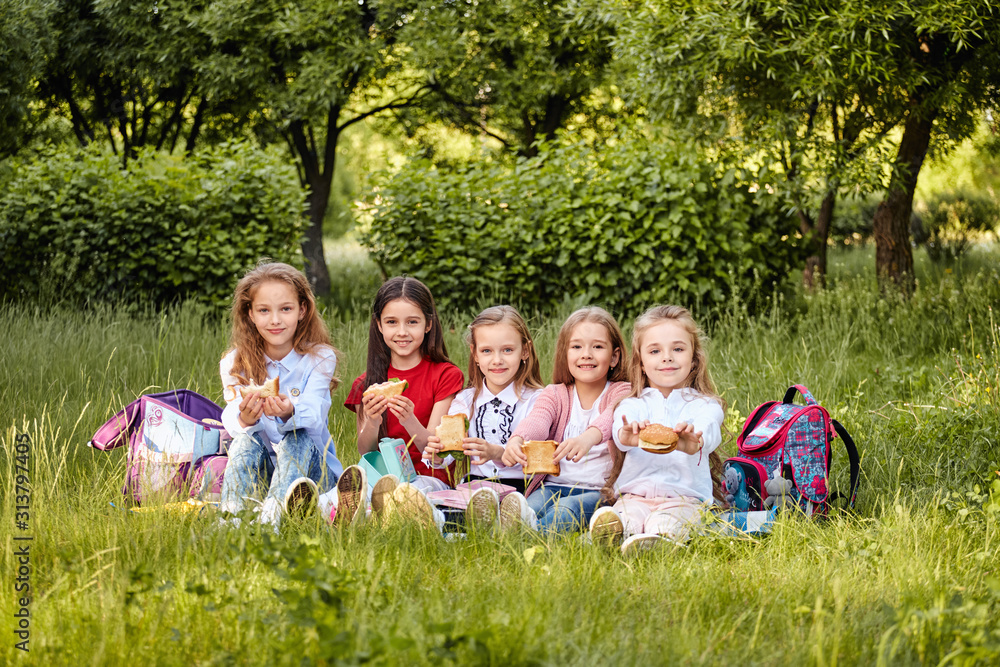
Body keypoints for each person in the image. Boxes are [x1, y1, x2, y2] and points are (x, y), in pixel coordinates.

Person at [588, 305, 726, 556]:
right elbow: (622, 427)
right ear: (641, 363)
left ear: (694, 360)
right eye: (655, 350)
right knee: (625, 518)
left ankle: (658, 541)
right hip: (634, 496)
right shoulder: (632, 404)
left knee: (667, 523)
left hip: (684, 500)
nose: (667, 357)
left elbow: (709, 430)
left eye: (678, 349)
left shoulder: (706, 405)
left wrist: (694, 441)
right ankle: (616, 535)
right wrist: (627, 436)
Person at [218, 261, 343, 528]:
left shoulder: (319, 358)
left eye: (285, 309)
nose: (275, 320)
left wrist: (290, 411)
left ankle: (271, 517)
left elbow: (314, 417)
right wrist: (245, 419)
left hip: (313, 478)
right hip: (263, 474)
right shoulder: (233, 363)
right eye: (264, 310)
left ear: (302, 310)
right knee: (242, 441)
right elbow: (231, 415)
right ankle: (231, 517)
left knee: (295, 436)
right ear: (250, 314)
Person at [337, 277, 464, 525]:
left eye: (412, 322)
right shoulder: (367, 383)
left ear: (428, 324)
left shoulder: (446, 375)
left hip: (430, 478)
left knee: (409, 494)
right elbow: (366, 452)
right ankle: (333, 509)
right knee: (354, 493)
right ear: (379, 325)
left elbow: (438, 448)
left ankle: (387, 515)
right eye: (392, 322)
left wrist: (409, 420)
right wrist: (372, 421)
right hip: (382, 475)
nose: (402, 332)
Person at [500, 306, 631, 533]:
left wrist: (587, 438)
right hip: (553, 485)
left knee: (565, 510)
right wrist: (517, 439)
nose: (586, 354)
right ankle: (509, 532)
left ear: (614, 356)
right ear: (565, 353)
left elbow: (614, 415)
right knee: (531, 506)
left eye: (598, 347)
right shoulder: (555, 393)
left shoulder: (622, 391)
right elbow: (538, 419)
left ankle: (530, 540)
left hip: (599, 491)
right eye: (576, 346)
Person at [420, 305, 545, 529]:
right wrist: (438, 455)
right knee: (444, 510)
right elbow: (450, 453)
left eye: (507, 350)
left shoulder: (538, 400)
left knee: (512, 515)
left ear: (525, 351)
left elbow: (539, 458)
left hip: (520, 488)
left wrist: (497, 452)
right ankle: (432, 521)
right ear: (475, 354)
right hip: (474, 486)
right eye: (487, 351)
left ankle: (495, 525)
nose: (497, 360)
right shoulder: (465, 401)